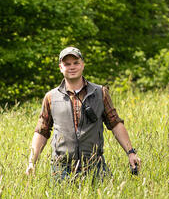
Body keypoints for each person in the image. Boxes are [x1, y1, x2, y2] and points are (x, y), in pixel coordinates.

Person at [26, 47, 141, 181]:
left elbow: (115, 124)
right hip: (62, 169)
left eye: (76, 63)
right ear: (60, 68)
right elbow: (42, 131)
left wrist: (131, 152)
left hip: (95, 166)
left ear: (83, 65)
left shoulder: (100, 93)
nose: (72, 67)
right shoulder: (51, 97)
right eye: (67, 64)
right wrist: (31, 162)